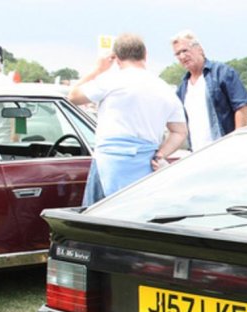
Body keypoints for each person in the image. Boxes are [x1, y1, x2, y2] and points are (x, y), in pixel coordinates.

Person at [68, 33, 187, 204]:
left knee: (97, 215)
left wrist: (98, 69)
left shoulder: (110, 80)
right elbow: (179, 132)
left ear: (116, 58)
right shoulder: (165, 89)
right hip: (146, 166)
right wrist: (160, 155)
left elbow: (73, 96)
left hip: (108, 164)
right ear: (145, 55)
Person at [171, 30, 247, 151]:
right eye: (178, 53)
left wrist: (236, 144)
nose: (182, 56)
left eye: (185, 50)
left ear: (199, 49)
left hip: (224, 150)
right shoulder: (183, 87)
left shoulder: (222, 72)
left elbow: (241, 107)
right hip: (197, 153)